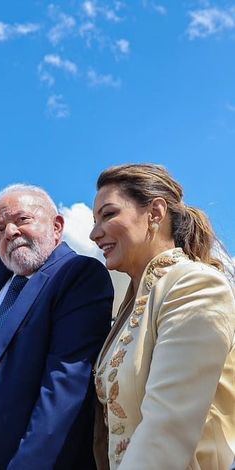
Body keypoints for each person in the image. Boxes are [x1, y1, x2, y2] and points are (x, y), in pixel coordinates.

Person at [0, 81, 113, 469]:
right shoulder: (2, 264)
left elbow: (61, 396)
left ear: (57, 226)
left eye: (22, 220)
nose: (9, 231)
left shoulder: (76, 276)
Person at [89, 164, 235, 469]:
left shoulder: (195, 285)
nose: (93, 233)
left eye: (108, 214)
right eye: (94, 220)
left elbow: (166, 429)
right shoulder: (133, 304)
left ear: (155, 212)